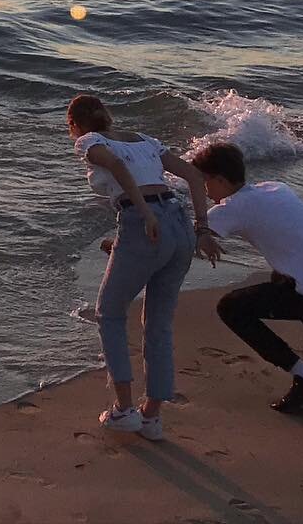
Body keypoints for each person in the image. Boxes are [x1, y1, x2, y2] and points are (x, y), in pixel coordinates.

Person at [68, 93, 218, 441]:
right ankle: (152, 416)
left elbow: (117, 167)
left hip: (144, 223)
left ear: (73, 125)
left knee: (109, 312)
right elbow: (195, 177)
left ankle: (124, 409)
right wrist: (203, 230)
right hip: (179, 226)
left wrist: (146, 214)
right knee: (159, 321)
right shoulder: (145, 141)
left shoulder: (89, 142)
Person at [191, 141, 303, 414]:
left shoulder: (231, 208)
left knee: (230, 308)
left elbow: (179, 238)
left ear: (220, 179)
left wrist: (123, 245)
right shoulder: (276, 188)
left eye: (204, 183)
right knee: (286, 279)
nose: (204, 191)